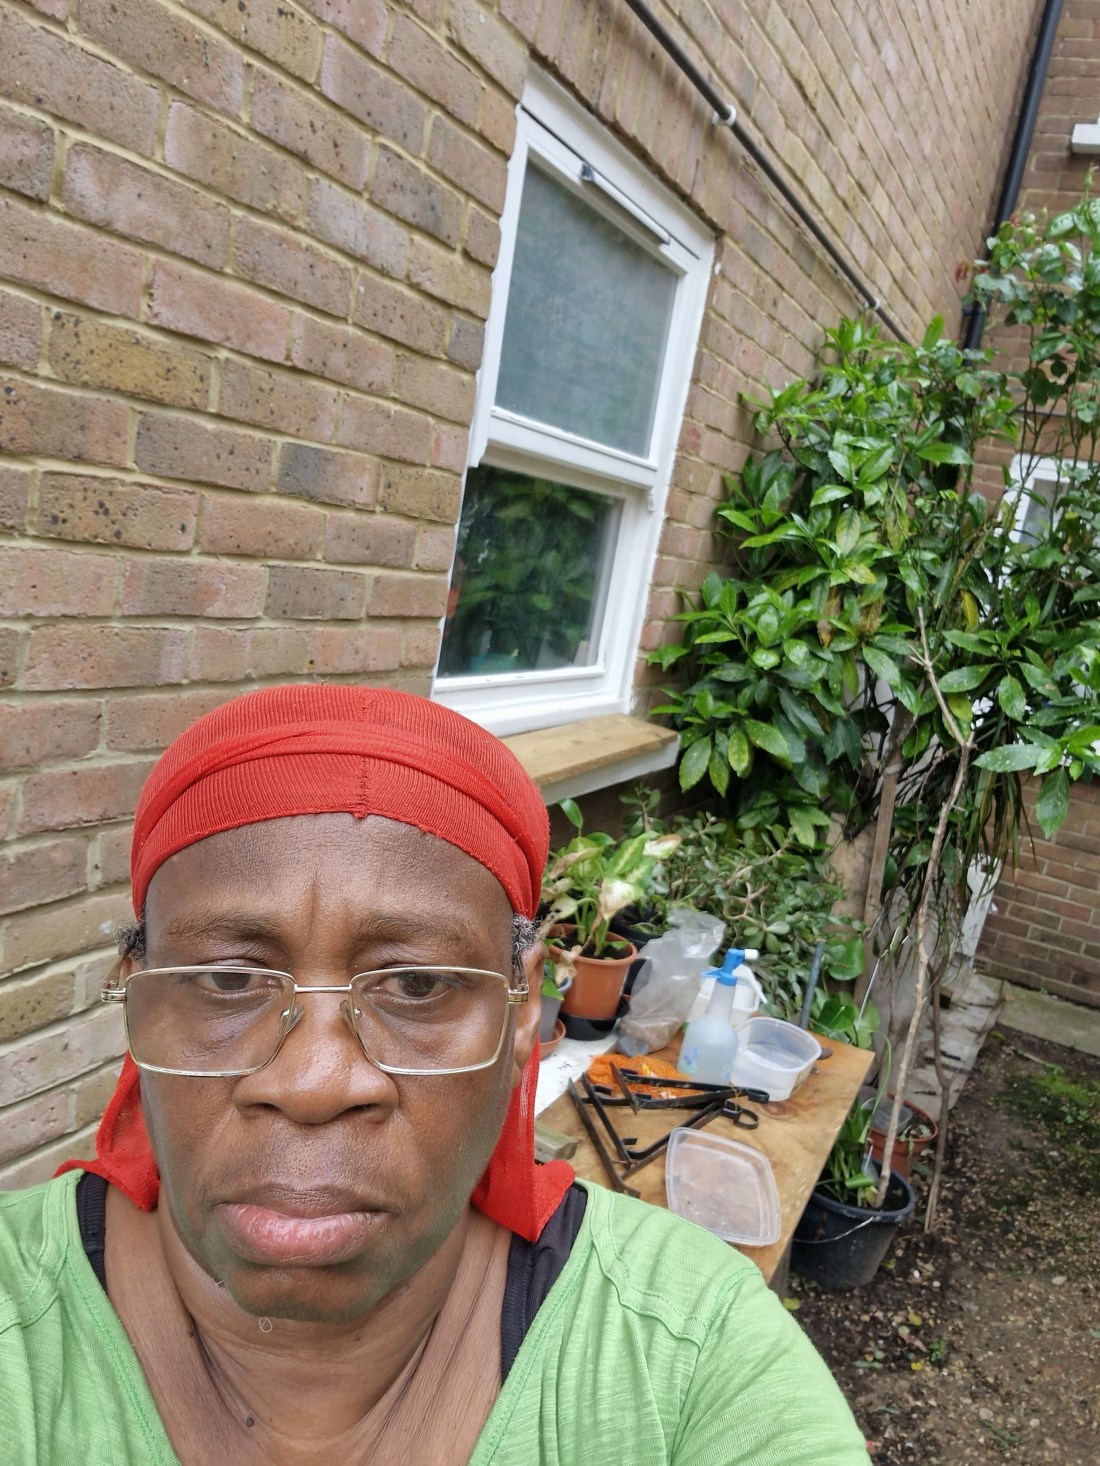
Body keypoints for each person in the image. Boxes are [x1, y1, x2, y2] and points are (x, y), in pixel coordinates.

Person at [0, 684, 870, 1464]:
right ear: (139, 998)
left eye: (417, 985)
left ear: (522, 1013)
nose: (313, 1083)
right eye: (227, 981)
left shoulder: (690, 1349)